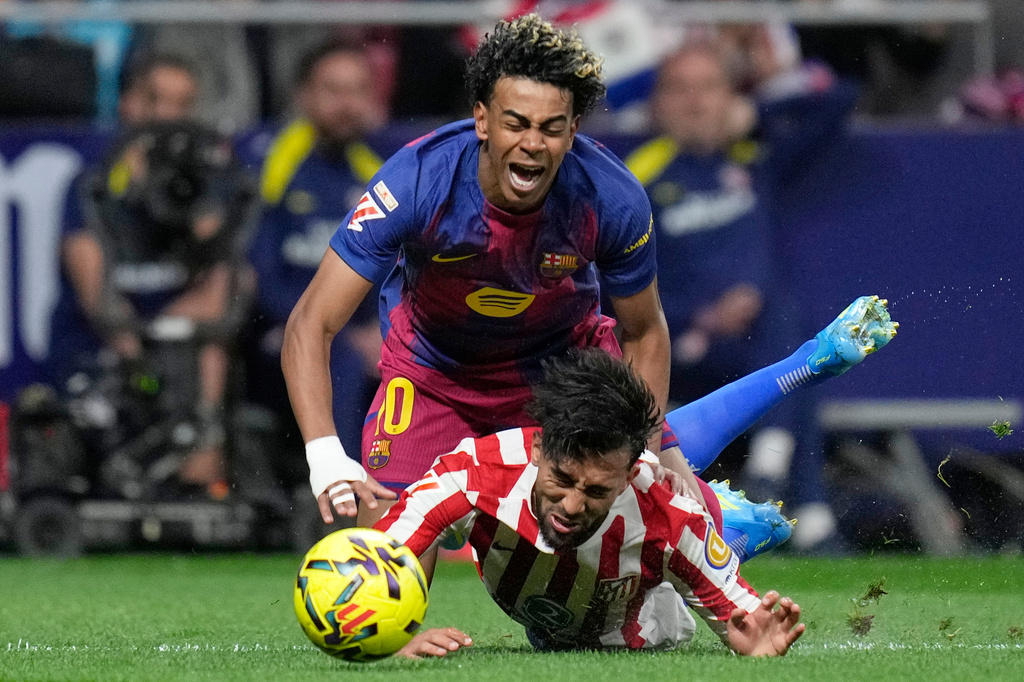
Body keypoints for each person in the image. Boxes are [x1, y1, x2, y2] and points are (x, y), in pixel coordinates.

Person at [282, 15, 675, 546]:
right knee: (383, 555)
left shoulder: (612, 199)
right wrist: (325, 453)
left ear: (573, 131)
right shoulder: (417, 181)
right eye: (516, 123)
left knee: (655, 528)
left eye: (551, 128)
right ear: (482, 120)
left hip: (563, 379)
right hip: (432, 375)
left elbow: (645, 332)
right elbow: (312, 322)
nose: (533, 143)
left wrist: (643, 454)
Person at [374, 295, 900, 657]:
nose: (571, 506)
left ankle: (729, 529)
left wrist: (757, 638)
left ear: (630, 475)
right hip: (569, 594)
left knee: (684, 515)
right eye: (562, 480)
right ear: (536, 449)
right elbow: (381, 562)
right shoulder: (471, 474)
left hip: (637, 612)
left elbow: (745, 625)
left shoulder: (668, 515)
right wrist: (395, 636)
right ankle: (803, 366)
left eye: (596, 490)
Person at [624, 37, 858, 551]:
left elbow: (841, 97)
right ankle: (799, 503)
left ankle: (787, 491)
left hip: (755, 343)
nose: (695, 103)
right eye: (680, 89)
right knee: (798, 349)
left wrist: (759, 107)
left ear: (731, 98)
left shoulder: (754, 160)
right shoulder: (639, 175)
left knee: (791, 332)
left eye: (709, 88)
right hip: (681, 349)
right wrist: (701, 316)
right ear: (658, 104)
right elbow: (613, 289)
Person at [247, 40, 386, 488]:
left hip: (362, 333)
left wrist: (382, 332)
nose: (347, 105)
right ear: (304, 96)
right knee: (337, 355)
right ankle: (343, 494)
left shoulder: (376, 171)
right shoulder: (274, 163)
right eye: (333, 90)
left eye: (357, 91)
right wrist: (336, 329)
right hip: (276, 329)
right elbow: (258, 277)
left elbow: (396, 272)